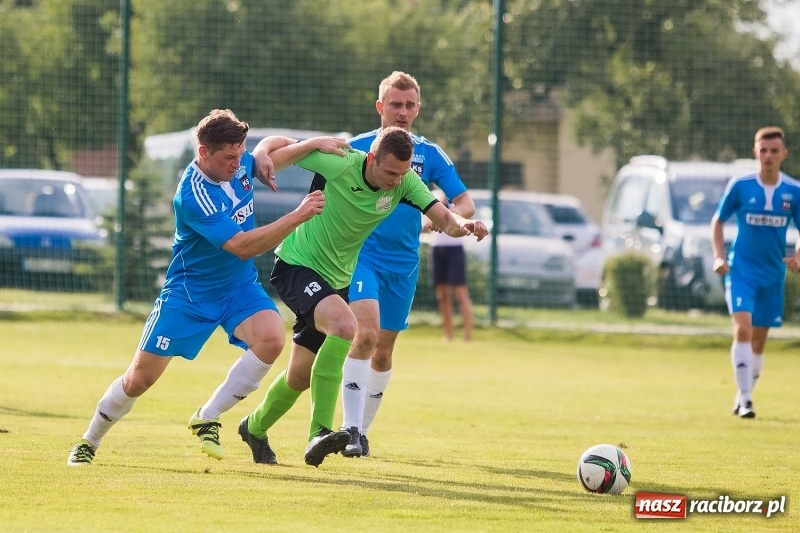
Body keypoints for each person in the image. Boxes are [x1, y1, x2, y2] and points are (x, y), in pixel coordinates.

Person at [66, 109, 347, 465]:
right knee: (139, 379)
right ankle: (89, 441)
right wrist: (298, 214)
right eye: (228, 157)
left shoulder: (239, 160)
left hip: (237, 286)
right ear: (204, 153)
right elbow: (243, 245)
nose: (236, 163)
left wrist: (282, 150)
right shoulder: (193, 194)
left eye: (240, 153)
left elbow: (272, 147)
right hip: (189, 294)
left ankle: (208, 416)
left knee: (272, 338)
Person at [235, 126, 488, 467]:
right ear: (371, 159)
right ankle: (320, 432)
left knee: (300, 376)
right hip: (297, 264)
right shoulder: (341, 162)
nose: (396, 181)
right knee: (345, 326)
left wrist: (466, 225)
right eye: (389, 172)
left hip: (336, 278)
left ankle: (254, 427)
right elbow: (280, 150)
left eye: (402, 174)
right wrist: (264, 152)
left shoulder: (405, 183)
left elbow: (445, 218)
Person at [336, 71, 475, 458]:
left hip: (404, 262)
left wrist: (441, 216)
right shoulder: (356, 148)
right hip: (360, 256)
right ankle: (348, 430)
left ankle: (362, 432)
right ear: (380, 107)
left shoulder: (429, 154)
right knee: (365, 334)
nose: (402, 111)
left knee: (383, 349)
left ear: (418, 108)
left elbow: (464, 202)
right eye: (395, 104)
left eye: (409, 105)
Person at [711, 126, 800, 420]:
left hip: (773, 275)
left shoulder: (793, 191)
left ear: (783, 154)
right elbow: (718, 221)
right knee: (743, 329)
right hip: (741, 272)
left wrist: (798, 254)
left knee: (760, 339)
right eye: (763, 150)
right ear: (755, 153)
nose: (768, 156)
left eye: (774, 150)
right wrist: (718, 256)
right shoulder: (741, 186)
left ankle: (743, 392)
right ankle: (747, 400)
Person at [428, 188, 474, 342]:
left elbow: (464, 213)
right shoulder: (433, 195)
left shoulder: (458, 196)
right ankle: (448, 334)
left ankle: (468, 335)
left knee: (460, 293)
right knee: (443, 295)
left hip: (455, 249)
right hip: (437, 248)